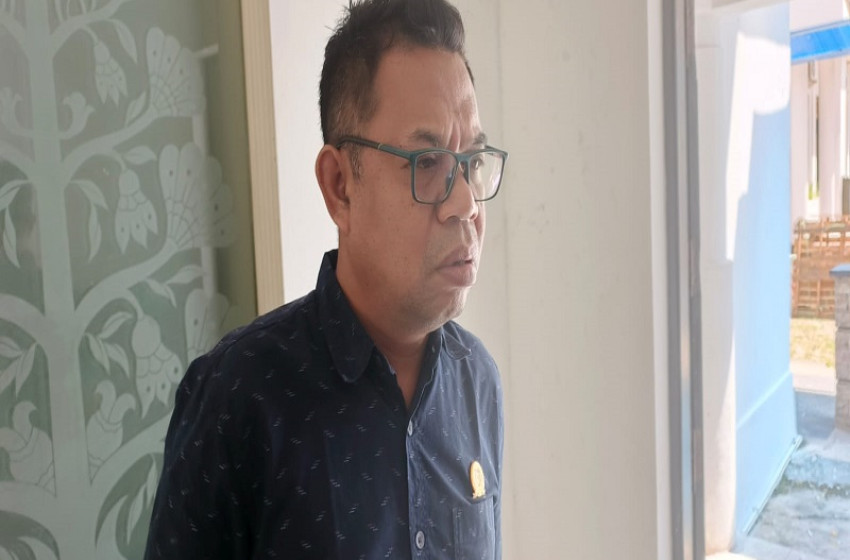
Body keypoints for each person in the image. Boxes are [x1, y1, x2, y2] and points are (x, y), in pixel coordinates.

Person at [143, 0, 507, 557]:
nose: (465, 204)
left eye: (472, 162)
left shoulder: (476, 381)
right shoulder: (240, 397)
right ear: (340, 186)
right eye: (427, 162)